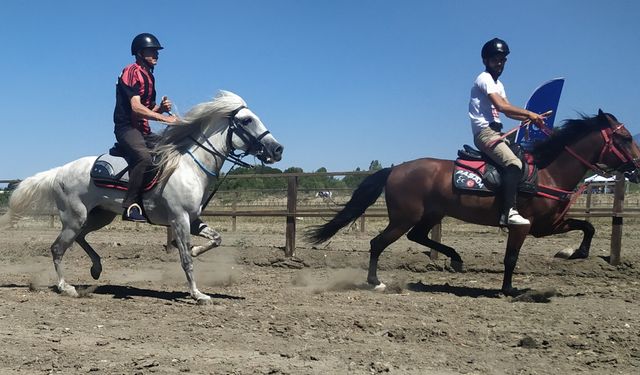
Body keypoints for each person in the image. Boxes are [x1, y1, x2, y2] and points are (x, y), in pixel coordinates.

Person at [468, 38, 545, 226]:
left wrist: (529, 118)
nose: (500, 63)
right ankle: (508, 211)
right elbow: (501, 107)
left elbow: (508, 109)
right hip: (485, 133)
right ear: (486, 60)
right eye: (495, 59)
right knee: (513, 164)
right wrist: (529, 113)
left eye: (503, 60)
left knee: (524, 160)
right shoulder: (484, 78)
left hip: (497, 132)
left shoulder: (498, 84)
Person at [113, 33, 178, 222]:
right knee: (144, 158)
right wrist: (165, 119)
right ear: (140, 53)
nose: (156, 55)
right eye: (152, 51)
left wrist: (161, 109)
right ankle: (131, 205)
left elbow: (147, 110)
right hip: (126, 128)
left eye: (157, 52)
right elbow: (136, 107)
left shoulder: (149, 77)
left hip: (143, 130)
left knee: (172, 148)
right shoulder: (131, 71)